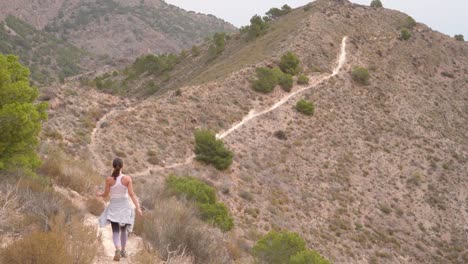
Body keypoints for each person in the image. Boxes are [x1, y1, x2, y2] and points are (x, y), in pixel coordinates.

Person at [97, 158, 143, 261]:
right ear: (122, 166)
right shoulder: (127, 179)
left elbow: (105, 194)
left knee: (115, 231)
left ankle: (117, 250)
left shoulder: (109, 179)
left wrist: (99, 194)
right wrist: (138, 208)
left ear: (113, 166)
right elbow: (132, 194)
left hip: (114, 206)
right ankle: (123, 251)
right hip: (125, 206)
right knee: (124, 230)